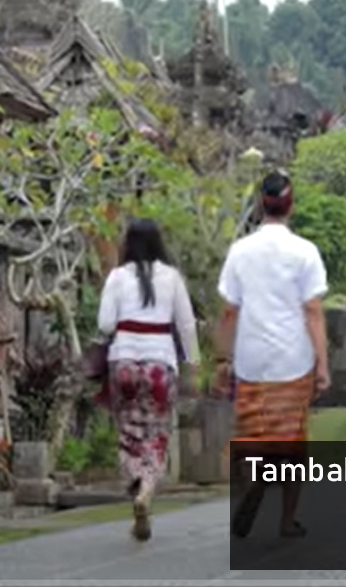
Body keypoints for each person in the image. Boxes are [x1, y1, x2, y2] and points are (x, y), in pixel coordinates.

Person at [214, 171, 330, 540]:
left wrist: (221, 360)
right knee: (294, 442)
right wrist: (323, 363)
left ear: (259, 205)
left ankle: (254, 481)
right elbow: (312, 310)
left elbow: (229, 311)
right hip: (292, 360)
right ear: (290, 205)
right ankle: (287, 518)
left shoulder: (239, 252)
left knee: (253, 432)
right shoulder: (305, 252)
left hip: (251, 359)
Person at [96, 218, 200, 542]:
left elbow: (104, 323)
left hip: (124, 362)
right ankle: (147, 491)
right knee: (156, 435)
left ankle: (135, 484)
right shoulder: (171, 278)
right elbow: (186, 325)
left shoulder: (116, 277)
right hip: (160, 364)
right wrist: (193, 363)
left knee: (129, 434)